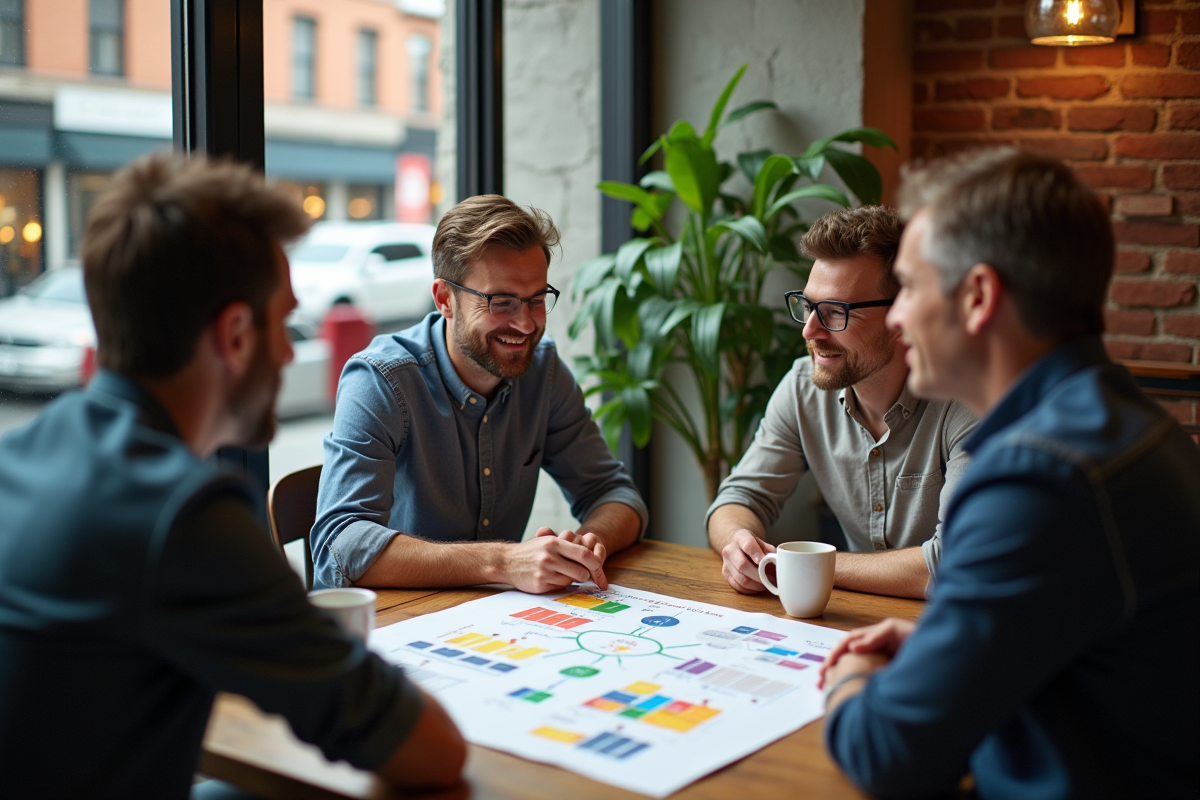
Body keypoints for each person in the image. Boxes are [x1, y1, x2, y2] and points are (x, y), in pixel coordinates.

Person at [0, 154, 465, 799]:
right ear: (236, 334)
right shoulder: (183, 516)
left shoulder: (21, 457)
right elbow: (430, 751)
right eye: (283, 323)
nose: (287, 352)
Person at [820, 149, 1200, 798]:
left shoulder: (1035, 480)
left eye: (910, 285)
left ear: (978, 297)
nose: (899, 315)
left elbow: (885, 752)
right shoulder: (1130, 425)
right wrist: (939, 647)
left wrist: (850, 673)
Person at [311, 195, 647, 592]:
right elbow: (340, 545)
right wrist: (504, 562)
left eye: (536, 300)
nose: (525, 324)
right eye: (500, 302)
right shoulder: (381, 380)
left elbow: (615, 494)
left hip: (491, 625)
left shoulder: (544, 371)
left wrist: (591, 544)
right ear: (444, 300)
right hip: (390, 628)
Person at [708, 206, 976, 599]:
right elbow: (737, 499)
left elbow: (955, 563)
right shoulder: (802, 388)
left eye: (836, 312)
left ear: (903, 315)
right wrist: (740, 545)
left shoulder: (968, 399)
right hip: (856, 622)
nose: (811, 331)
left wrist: (801, 566)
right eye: (808, 305)